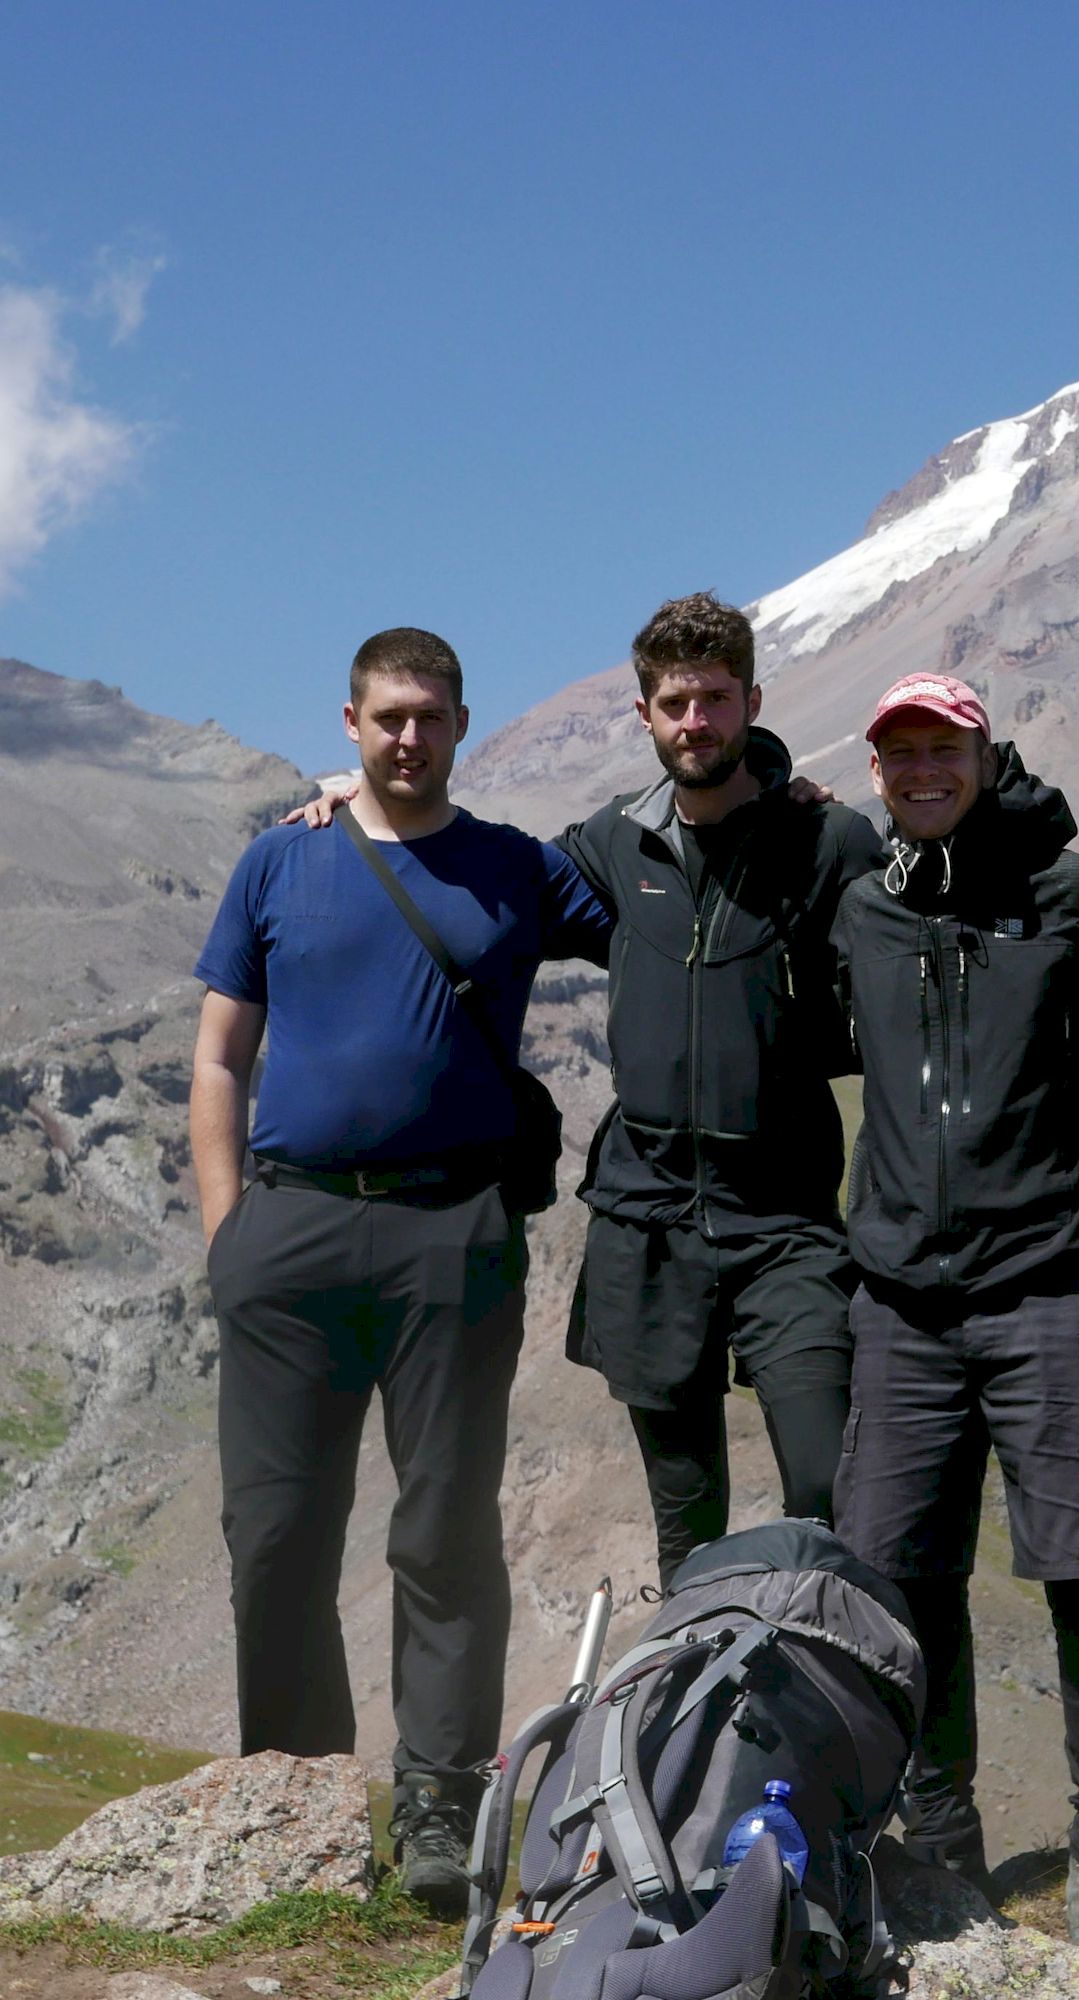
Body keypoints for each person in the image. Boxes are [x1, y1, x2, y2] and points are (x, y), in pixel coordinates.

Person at [189, 628, 612, 1917]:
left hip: (451, 1234)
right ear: (353, 720)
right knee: (274, 1535)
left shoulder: (515, 867)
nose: (409, 737)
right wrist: (229, 1236)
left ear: (462, 722)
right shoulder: (283, 856)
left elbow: (667, 883)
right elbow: (219, 1060)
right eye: (388, 718)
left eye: (430, 717)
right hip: (291, 1233)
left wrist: (769, 772)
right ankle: (300, 1795)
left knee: (442, 1527)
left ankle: (438, 1800)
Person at [828, 674, 1079, 1965]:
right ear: (875, 770)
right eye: (898, 751)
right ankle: (940, 1832)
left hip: (1044, 1290)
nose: (921, 768)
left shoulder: (1071, 891)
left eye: (941, 747)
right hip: (901, 1303)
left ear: (981, 752)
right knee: (904, 1577)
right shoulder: (861, 899)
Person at [558, 593, 884, 1588]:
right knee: (682, 1519)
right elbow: (478, 884)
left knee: (833, 1490)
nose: (693, 721)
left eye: (711, 698)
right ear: (643, 715)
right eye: (673, 703)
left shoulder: (826, 843)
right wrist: (354, 808)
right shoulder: (614, 843)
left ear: (749, 699)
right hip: (646, 1219)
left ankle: (842, 1715)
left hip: (785, 1220)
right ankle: (690, 1729)